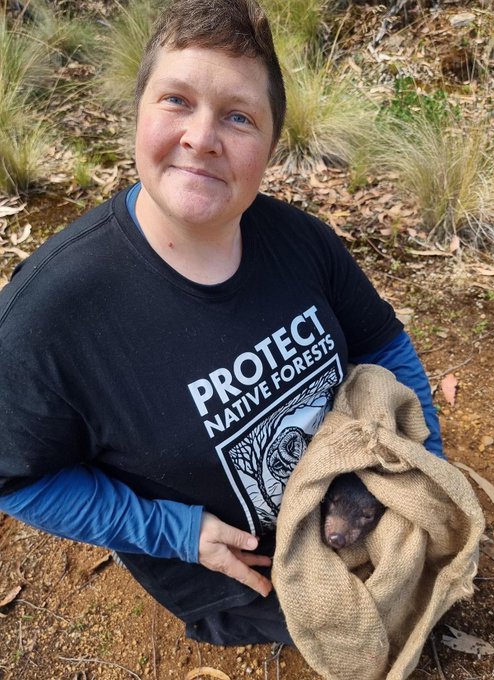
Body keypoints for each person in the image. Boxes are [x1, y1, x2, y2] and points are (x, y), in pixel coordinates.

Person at [0, 0, 443, 646]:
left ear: (269, 146)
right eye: (176, 100)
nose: (202, 137)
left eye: (238, 116)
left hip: (344, 501)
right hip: (233, 568)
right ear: (137, 112)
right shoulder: (50, 314)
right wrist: (174, 532)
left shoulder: (300, 242)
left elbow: (383, 343)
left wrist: (427, 469)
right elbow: (16, 476)